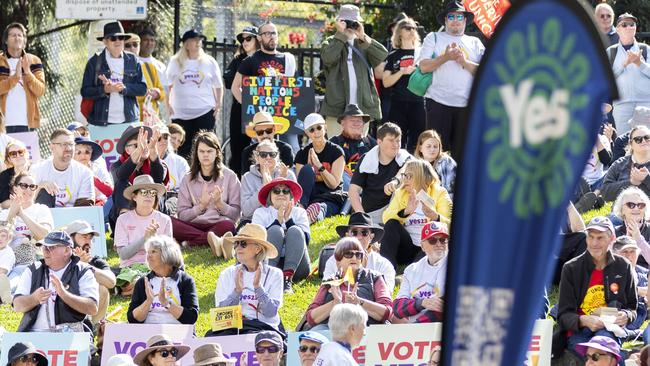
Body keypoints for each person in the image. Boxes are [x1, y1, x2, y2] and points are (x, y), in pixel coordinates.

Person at [553, 216, 637, 362]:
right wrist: (584, 320)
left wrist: (626, 315)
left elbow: (632, 307)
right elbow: (563, 316)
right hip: (579, 330)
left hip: (610, 329)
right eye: (590, 237)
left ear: (612, 239)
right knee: (597, 353)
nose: (594, 243)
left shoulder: (623, 266)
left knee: (601, 349)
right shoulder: (571, 268)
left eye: (600, 238)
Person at [417, 0, 484, 160]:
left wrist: (464, 62)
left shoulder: (475, 43)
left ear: (465, 20)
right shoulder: (433, 38)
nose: (455, 20)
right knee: (435, 155)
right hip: (437, 103)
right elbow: (424, 67)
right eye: (451, 16)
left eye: (459, 16)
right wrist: (446, 57)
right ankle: (435, 185)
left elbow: (486, 73)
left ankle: (459, 186)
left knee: (464, 155)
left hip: (466, 106)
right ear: (445, 20)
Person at [320, 5, 388, 137]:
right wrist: (341, 35)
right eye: (346, 22)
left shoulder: (364, 43)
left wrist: (362, 36)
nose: (350, 26)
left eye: (354, 22)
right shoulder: (331, 42)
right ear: (339, 22)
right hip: (337, 109)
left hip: (362, 109)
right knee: (336, 148)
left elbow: (382, 55)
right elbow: (328, 59)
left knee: (359, 150)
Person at [231, 22, 300, 152]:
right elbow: (235, 87)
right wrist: (248, 105)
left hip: (285, 115)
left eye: (274, 33)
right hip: (261, 119)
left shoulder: (288, 59)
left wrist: (286, 81)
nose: (272, 36)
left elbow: (297, 87)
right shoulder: (250, 61)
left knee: (292, 151)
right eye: (267, 34)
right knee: (261, 152)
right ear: (259, 38)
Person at [13, 231, 99, 332]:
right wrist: (35, 298)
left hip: (71, 336)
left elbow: (92, 308)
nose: (45, 251)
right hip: (34, 334)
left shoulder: (82, 271)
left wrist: (64, 294)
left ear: (67, 250)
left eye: (51, 247)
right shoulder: (32, 270)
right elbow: (17, 305)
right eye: (44, 247)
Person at [211, 223, 284, 337]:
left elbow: (270, 312)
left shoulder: (274, 274)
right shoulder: (227, 274)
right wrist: (237, 292)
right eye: (236, 243)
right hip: (232, 329)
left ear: (258, 248)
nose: (238, 247)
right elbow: (220, 314)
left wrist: (258, 287)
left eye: (243, 243)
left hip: (262, 328)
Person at [306, 237, 392, 329]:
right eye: (348, 254)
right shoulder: (330, 282)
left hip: (366, 329)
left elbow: (387, 312)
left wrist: (359, 302)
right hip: (333, 331)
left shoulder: (374, 277)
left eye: (358, 255)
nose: (354, 257)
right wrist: (335, 303)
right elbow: (311, 318)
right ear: (338, 260)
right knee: (317, 330)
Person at [380, 159, 452, 268]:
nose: (405, 180)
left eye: (409, 176)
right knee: (391, 224)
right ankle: (386, 270)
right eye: (404, 176)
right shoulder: (401, 192)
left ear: (421, 177)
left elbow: (451, 226)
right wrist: (405, 212)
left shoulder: (440, 192)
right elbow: (385, 217)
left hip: (429, 245)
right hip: (407, 247)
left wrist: (435, 217)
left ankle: (412, 273)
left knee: (429, 248)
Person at [174, 131, 240, 248]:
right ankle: (210, 239)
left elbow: (236, 215)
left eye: (209, 151)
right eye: (202, 151)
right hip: (193, 225)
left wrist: (220, 204)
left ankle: (190, 243)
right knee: (169, 222)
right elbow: (182, 216)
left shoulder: (230, 176)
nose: (205, 155)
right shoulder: (187, 179)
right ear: (196, 154)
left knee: (228, 226)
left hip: (219, 224)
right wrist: (201, 207)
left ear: (217, 153)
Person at [166, 29, 223, 158]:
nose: (198, 43)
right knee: (183, 149)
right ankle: (186, 175)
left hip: (204, 110)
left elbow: (218, 85)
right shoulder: (175, 62)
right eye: (194, 40)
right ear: (186, 44)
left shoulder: (209, 61)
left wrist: (218, 104)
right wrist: (167, 104)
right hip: (181, 113)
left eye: (199, 40)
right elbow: (167, 85)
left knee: (206, 146)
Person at [114, 175, 172, 295]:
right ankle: (138, 286)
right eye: (144, 192)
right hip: (129, 268)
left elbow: (168, 255)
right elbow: (124, 254)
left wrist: (155, 242)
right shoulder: (123, 219)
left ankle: (134, 288)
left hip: (155, 266)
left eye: (152, 193)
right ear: (134, 196)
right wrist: (145, 239)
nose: (149, 196)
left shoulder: (164, 219)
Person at [80, 21, 147, 126]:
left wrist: (125, 88)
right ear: (105, 42)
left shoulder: (133, 60)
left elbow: (143, 89)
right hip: (101, 123)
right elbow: (85, 91)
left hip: (129, 121)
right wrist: (104, 90)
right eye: (113, 38)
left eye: (121, 38)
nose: (117, 41)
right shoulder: (94, 61)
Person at [252, 178, 310, 292]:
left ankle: (287, 280)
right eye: (276, 191)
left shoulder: (300, 212)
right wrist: (277, 221)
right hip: (268, 263)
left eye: (285, 191)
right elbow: (256, 242)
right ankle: (269, 278)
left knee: (295, 230)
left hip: (297, 266)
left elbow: (305, 240)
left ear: (291, 195)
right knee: (275, 230)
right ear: (270, 196)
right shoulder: (260, 213)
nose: (281, 194)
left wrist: (288, 221)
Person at [127, 235, 199, 325]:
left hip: (178, 333)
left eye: (153, 251)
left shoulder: (185, 280)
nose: (148, 256)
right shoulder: (143, 282)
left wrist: (166, 303)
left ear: (167, 254)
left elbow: (191, 317)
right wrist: (148, 302)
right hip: (148, 334)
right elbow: (132, 319)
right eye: (148, 252)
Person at [349, 122, 410, 224]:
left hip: (398, 213)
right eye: (391, 140)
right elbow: (353, 191)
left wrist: (396, 181)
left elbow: (407, 168)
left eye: (398, 141)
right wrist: (362, 217)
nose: (395, 145)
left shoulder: (405, 158)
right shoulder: (367, 159)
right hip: (372, 214)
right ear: (379, 142)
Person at [1, 172, 53, 291]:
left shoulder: (41, 210)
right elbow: (2, 239)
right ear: (15, 188)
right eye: (23, 185)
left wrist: (22, 214)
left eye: (32, 186)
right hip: (5, 259)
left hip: (29, 259)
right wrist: (12, 214)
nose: (28, 190)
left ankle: (6, 289)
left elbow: (45, 236)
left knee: (20, 274)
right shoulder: (4, 213)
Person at [381, 17, 425, 152]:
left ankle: (417, 170)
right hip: (398, 103)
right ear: (399, 31)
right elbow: (386, 82)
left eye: (413, 28)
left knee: (419, 141)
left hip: (418, 102)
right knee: (397, 140)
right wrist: (401, 72)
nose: (411, 30)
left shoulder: (422, 53)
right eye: (407, 27)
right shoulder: (393, 55)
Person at [322, 212, 395, 293]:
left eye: (364, 233)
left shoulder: (383, 264)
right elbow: (326, 292)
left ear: (371, 237)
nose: (359, 237)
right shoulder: (334, 261)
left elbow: (386, 295)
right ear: (347, 235)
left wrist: (362, 272)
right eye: (354, 232)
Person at [111, 126, 168, 225]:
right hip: (130, 208)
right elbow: (121, 175)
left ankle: (155, 223)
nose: (144, 146)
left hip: (153, 209)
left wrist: (153, 150)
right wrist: (138, 152)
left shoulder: (156, 161)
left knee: (157, 184)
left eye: (146, 142)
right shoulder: (117, 165)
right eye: (138, 144)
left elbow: (159, 178)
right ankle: (127, 223)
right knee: (121, 183)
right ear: (128, 150)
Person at [295, 113, 346, 223]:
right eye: (311, 130)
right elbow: (302, 186)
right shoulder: (302, 154)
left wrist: (319, 166)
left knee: (320, 207)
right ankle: (302, 209)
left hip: (331, 196)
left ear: (325, 127)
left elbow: (333, 184)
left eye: (319, 127)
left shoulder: (336, 152)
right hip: (310, 196)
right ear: (307, 133)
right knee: (307, 170)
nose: (316, 132)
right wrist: (309, 168)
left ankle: (309, 217)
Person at [394, 222, 449, 323]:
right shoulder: (412, 270)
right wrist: (422, 303)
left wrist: (417, 326)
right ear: (422, 246)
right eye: (433, 240)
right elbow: (398, 307)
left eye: (442, 240)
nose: (439, 244)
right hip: (418, 333)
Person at [65, 220, 116, 324]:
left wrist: (86, 267)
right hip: (65, 310)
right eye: (84, 237)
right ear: (71, 238)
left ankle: (92, 327)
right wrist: (76, 265)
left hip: (90, 311)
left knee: (102, 288)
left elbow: (111, 282)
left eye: (90, 238)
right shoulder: (60, 261)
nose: (88, 241)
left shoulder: (96, 262)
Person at [225, 26, 260, 175]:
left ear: (257, 39)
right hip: (239, 109)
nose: (245, 42)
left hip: (261, 111)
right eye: (242, 39)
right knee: (238, 148)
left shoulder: (264, 60)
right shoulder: (238, 60)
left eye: (248, 38)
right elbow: (229, 82)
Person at [30, 128, 95, 207]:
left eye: (71, 144)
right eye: (63, 144)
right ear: (52, 147)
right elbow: (26, 202)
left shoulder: (85, 172)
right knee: (44, 191)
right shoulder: (37, 170)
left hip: (74, 216)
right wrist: (39, 186)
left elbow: (85, 207)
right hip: (45, 216)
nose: (68, 148)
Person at [0, 22, 45, 133]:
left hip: (27, 124)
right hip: (3, 125)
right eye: (13, 35)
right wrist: (15, 78)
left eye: (20, 35)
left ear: (24, 40)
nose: (17, 38)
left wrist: (28, 73)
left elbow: (40, 91)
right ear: (6, 40)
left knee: (25, 151)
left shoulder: (34, 61)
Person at [609, 13, 650, 134]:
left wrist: (639, 64)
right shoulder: (611, 51)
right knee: (623, 144)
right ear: (617, 29)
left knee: (646, 142)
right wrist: (624, 64)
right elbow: (607, 78)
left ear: (636, 28)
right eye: (624, 25)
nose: (629, 27)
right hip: (621, 106)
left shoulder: (646, 49)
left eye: (632, 24)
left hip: (645, 104)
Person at [240, 140, 296, 226]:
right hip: (253, 222)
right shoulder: (247, 177)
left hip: (281, 219)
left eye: (272, 154)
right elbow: (246, 211)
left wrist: (281, 181)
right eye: (263, 154)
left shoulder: (288, 175)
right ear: (257, 157)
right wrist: (263, 188)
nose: (268, 157)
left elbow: (293, 205)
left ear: (277, 157)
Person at [329, 104, 376, 192]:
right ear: (343, 123)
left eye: (359, 121)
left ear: (363, 124)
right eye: (352, 120)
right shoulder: (334, 142)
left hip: (368, 186)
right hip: (344, 188)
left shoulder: (371, 143)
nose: (356, 123)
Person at [612, 236, 647, 339]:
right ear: (614, 254)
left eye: (633, 251)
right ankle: (636, 333)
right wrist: (637, 291)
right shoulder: (609, 273)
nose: (629, 256)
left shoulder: (645, 274)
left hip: (636, 317)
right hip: (615, 316)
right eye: (625, 252)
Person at [601, 125, 650, 201]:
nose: (643, 141)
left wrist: (646, 179)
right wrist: (631, 182)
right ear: (631, 144)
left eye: (647, 138)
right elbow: (605, 193)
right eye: (638, 139)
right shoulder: (619, 164)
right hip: (623, 211)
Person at [124, 33, 166, 121]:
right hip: (131, 119)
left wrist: (157, 94)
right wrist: (144, 93)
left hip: (151, 119)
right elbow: (122, 94)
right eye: (128, 45)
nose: (132, 48)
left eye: (135, 45)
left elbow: (162, 93)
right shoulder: (119, 68)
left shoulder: (149, 66)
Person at [241, 111, 294, 175]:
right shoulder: (247, 152)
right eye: (260, 132)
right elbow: (247, 180)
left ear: (274, 130)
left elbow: (289, 178)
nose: (265, 135)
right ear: (255, 134)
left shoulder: (286, 149)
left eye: (268, 131)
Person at [414, 129, 457, 198]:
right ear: (420, 148)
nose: (432, 149)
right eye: (428, 146)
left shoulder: (446, 162)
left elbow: (450, 191)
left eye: (435, 146)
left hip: (444, 203)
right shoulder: (415, 164)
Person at [74, 136, 113, 206]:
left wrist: (90, 176)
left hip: (99, 206)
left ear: (91, 153)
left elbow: (110, 191)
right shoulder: (68, 171)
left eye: (87, 152)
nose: (83, 155)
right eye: (78, 152)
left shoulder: (97, 168)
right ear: (72, 155)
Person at [155, 123, 189, 193]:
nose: (175, 142)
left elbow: (187, 186)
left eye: (179, 141)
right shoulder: (146, 159)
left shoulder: (180, 162)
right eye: (173, 138)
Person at [0, 140, 31, 208]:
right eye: (13, 154)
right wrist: (24, 204)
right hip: (13, 213)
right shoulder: (4, 176)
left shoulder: (36, 169)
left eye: (21, 152)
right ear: (9, 159)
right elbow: (3, 203)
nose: (18, 155)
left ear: (27, 153)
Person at [0, 221, 15, 304]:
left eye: (3, 235)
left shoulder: (8, 252)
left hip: (2, 280)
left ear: (9, 238)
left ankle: (7, 298)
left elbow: (2, 272)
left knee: (2, 280)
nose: (0, 238)